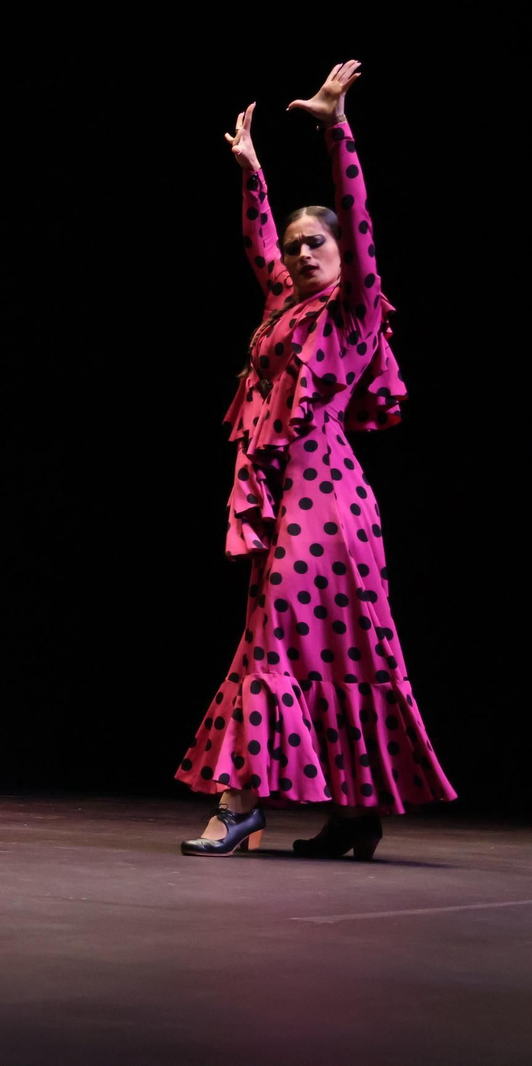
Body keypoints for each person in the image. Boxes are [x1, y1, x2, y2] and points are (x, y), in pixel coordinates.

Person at [174, 61, 455, 857]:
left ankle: (239, 803)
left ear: (341, 251)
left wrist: (335, 127)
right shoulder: (283, 307)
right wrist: (254, 174)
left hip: (328, 507)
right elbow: (256, 240)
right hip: (288, 502)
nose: (300, 255)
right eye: (295, 247)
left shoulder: (356, 307)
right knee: (337, 654)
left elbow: (359, 217)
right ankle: (356, 816)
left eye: (315, 244)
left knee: (271, 645)